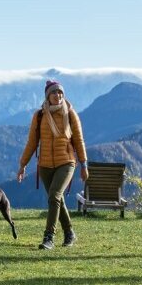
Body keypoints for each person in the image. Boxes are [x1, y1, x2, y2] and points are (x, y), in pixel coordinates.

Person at [17, 80, 89, 250]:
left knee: (54, 196)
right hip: (45, 165)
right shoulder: (40, 115)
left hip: (67, 161)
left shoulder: (70, 114)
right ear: (47, 96)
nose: (58, 96)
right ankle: (70, 233)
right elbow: (32, 142)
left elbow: (79, 140)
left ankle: (49, 237)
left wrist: (84, 164)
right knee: (57, 198)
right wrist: (22, 165)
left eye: (60, 93)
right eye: (54, 93)